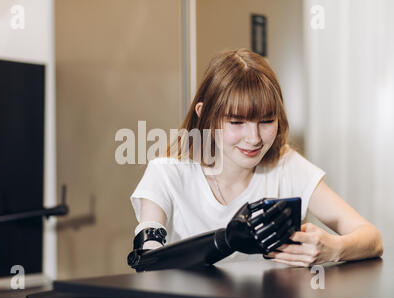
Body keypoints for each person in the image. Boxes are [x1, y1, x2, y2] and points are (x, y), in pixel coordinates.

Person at [130, 48, 383, 267]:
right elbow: (149, 259)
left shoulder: (286, 166)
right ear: (204, 114)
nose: (254, 138)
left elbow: (372, 238)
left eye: (266, 121)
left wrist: (332, 248)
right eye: (237, 122)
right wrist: (226, 240)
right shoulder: (166, 173)